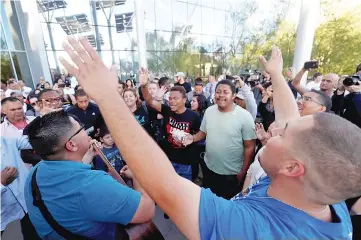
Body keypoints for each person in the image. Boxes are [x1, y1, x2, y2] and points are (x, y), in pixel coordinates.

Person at [61, 38, 360, 240]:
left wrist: (107, 97)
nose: (275, 129)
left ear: (293, 168)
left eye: (284, 134)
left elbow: (166, 187)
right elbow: (289, 121)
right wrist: (277, 76)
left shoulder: (253, 229)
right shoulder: (321, 199)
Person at [24, 111, 155, 239]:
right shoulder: (91, 184)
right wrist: (136, 173)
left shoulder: (35, 172)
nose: (86, 131)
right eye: (80, 128)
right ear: (71, 145)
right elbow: (146, 210)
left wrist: (89, 155)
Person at [184, 80, 256, 199]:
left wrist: (243, 172)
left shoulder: (244, 116)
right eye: (218, 92)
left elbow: (250, 147)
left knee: (226, 208)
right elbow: (203, 132)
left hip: (231, 174)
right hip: (209, 168)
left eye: (225, 92)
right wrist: (192, 138)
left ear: (233, 96)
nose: (221, 95)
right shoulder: (209, 111)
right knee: (209, 202)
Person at [140, 68, 200, 180]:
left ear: (184, 100)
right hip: (169, 161)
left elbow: (202, 134)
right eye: (170, 98)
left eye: (175, 98)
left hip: (186, 164)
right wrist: (144, 86)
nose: (171, 101)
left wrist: (193, 138)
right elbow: (150, 101)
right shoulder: (167, 110)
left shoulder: (193, 116)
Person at [1, 135, 40, 239]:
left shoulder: (7, 140)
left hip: (27, 206)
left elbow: (34, 139)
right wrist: (1, 182)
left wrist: (43, 118)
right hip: (4, 218)